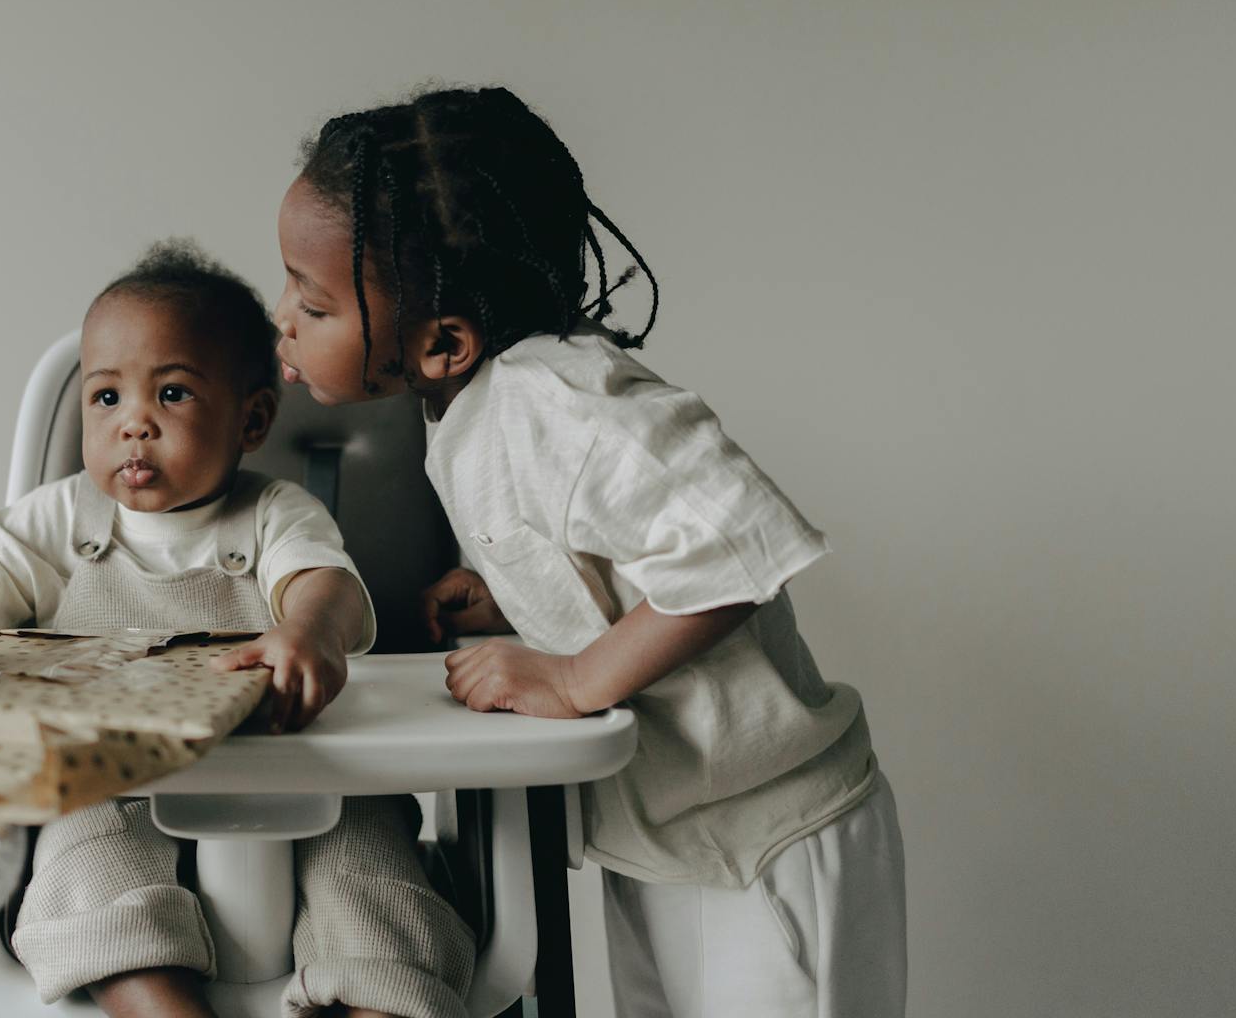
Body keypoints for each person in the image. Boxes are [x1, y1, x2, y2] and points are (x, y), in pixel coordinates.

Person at [272, 87, 907, 1018]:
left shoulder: (564, 400)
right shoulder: (474, 404)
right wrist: (520, 596)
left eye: (313, 301)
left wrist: (573, 679)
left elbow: (731, 552)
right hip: (668, 838)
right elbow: (613, 548)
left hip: (764, 840)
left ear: (444, 341)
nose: (282, 314)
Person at [0, 239, 474, 1018]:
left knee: (372, 875)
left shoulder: (276, 512)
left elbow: (324, 585)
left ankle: (381, 999)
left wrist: (311, 631)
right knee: (84, 870)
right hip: (110, 784)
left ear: (252, 419)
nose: (134, 427)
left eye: (174, 395)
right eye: (107, 398)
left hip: (304, 782)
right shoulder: (60, 517)